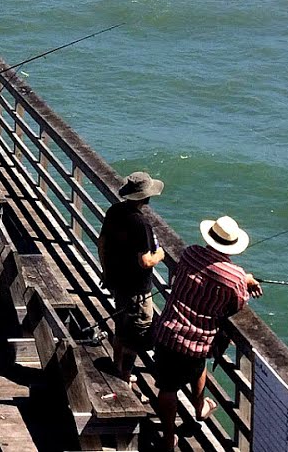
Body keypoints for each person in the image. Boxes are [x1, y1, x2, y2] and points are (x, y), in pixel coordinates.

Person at [149, 215, 261, 447]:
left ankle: (169, 438)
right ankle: (200, 407)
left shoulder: (190, 253)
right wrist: (247, 280)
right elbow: (237, 304)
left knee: (167, 388)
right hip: (197, 344)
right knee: (197, 365)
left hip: (167, 332)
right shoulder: (235, 276)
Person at [99, 172, 166, 377]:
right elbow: (145, 261)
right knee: (136, 334)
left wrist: (106, 271)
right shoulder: (140, 223)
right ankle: (125, 376)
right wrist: (160, 255)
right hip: (136, 288)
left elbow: (102, 243)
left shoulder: (115, 211)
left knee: (121, 326)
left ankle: (117, 364)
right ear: (146, 197)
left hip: (116, 280)